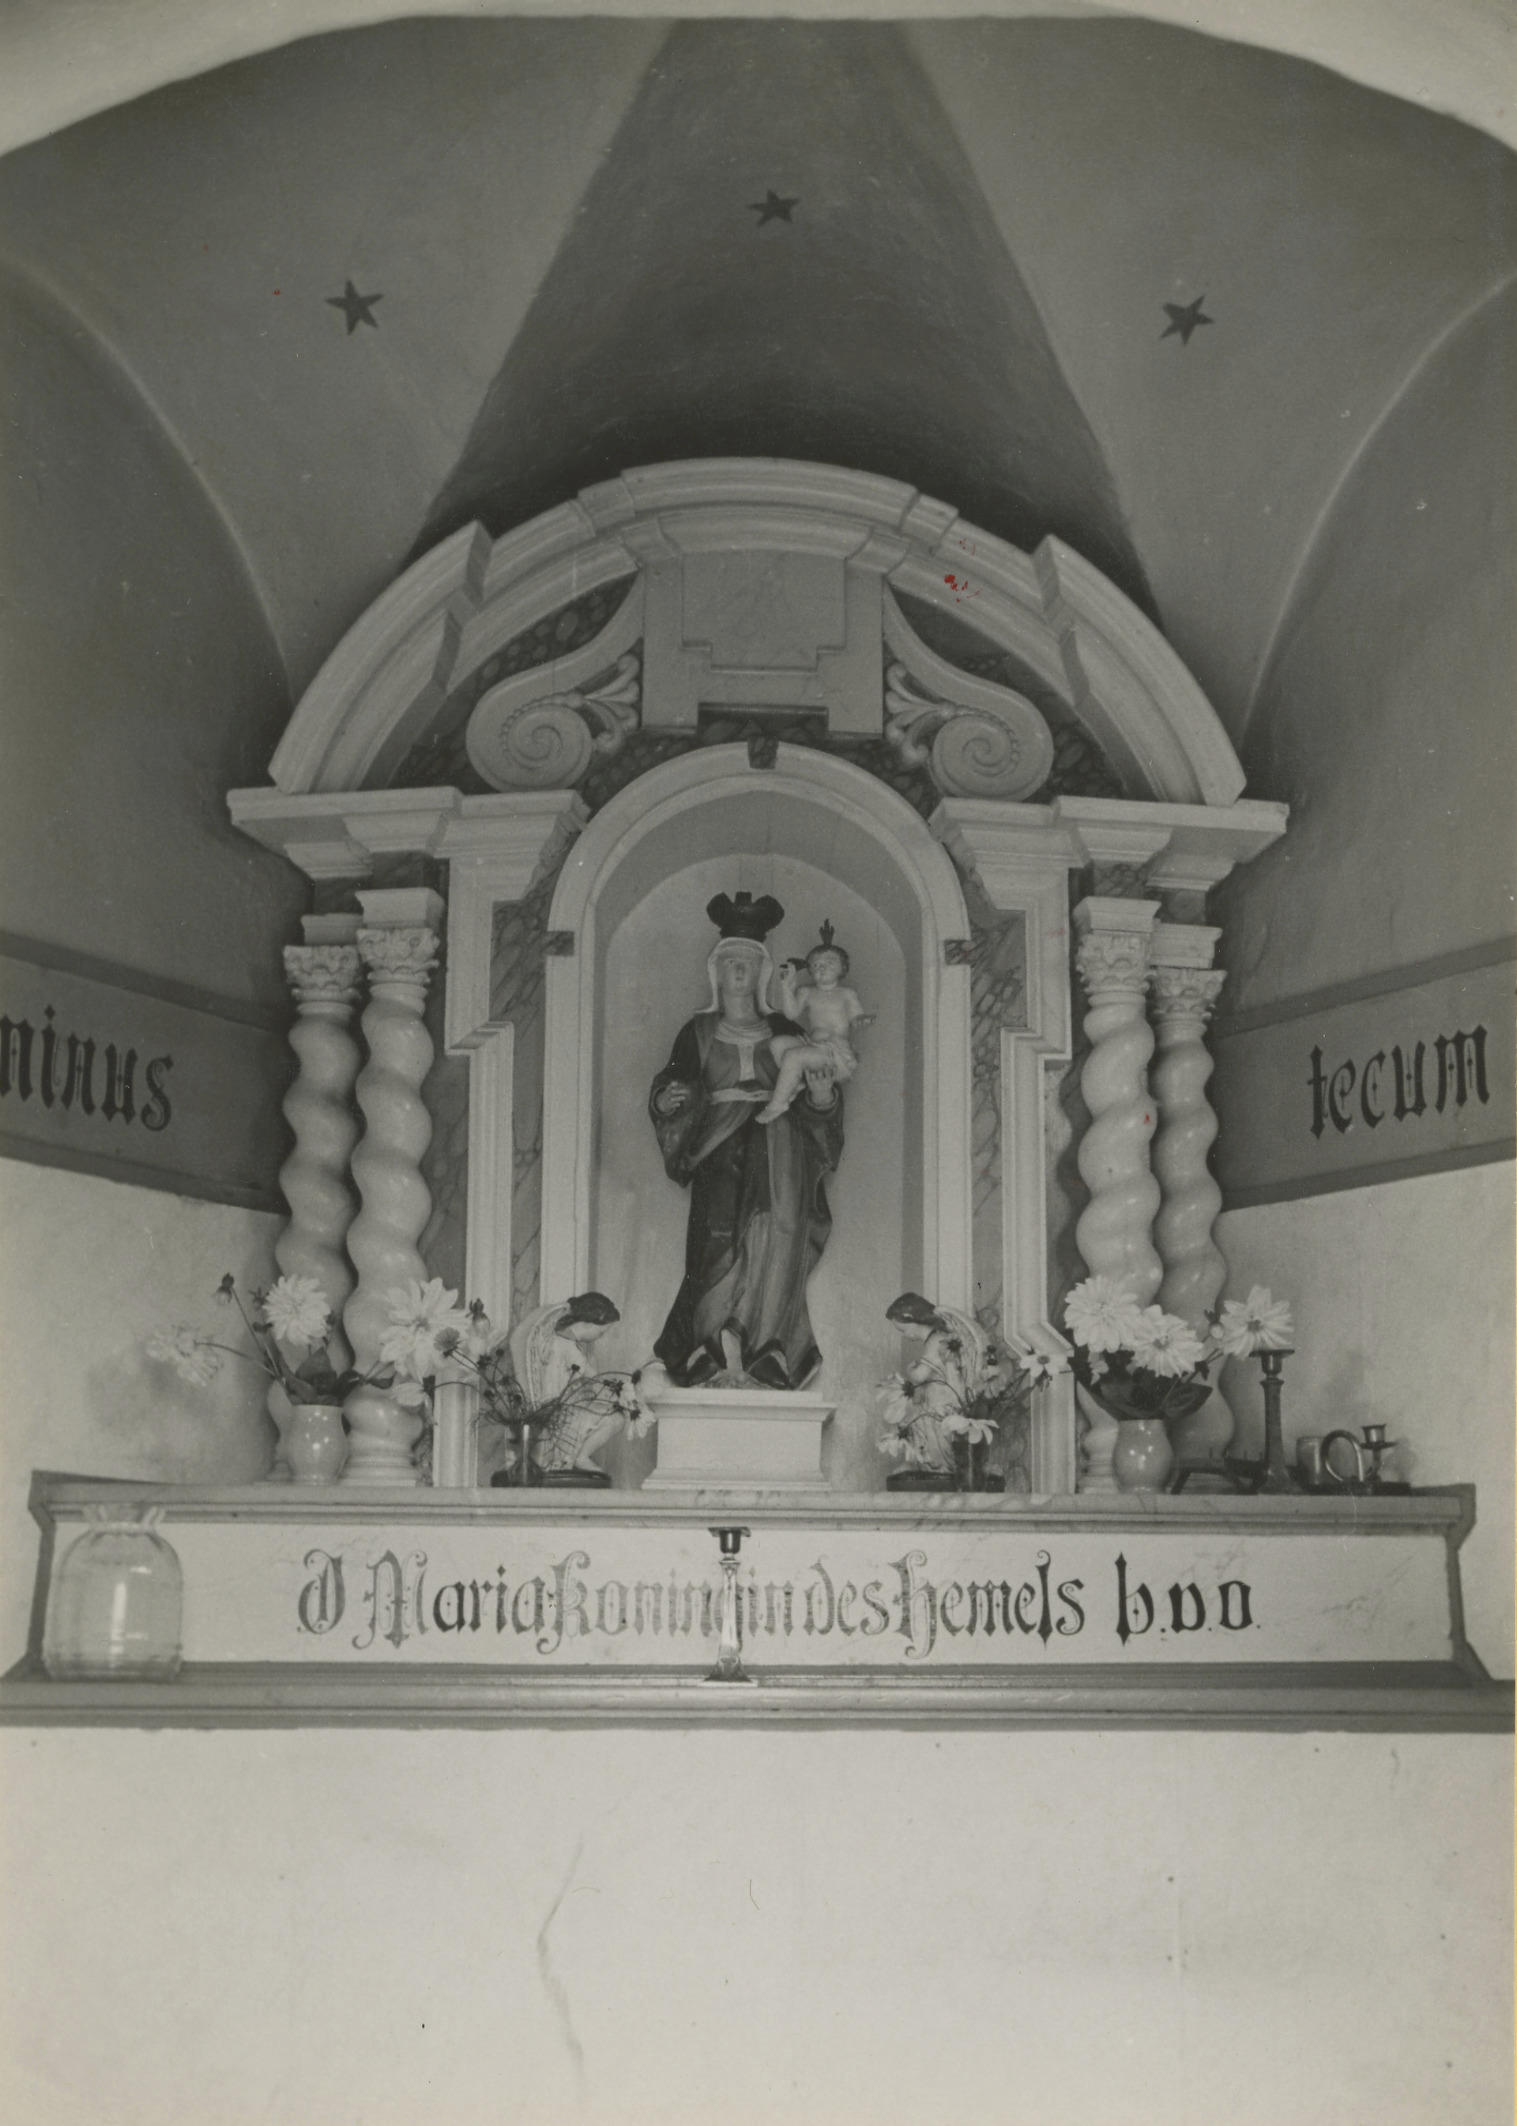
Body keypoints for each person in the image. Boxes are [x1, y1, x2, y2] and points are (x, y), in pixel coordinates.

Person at [649, 891, 845, 1390]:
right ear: (716, 971)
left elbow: (818, 1100)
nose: (739, 970)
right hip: (718, 1146)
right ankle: (709, 1346)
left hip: (780, 1147)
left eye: (748, 962)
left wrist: (822, 1097)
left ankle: (769, 1346)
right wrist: (666, 1100)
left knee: (779, 1231)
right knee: (714, 1240)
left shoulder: (783, 1028)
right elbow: (672, 1083)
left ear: (762, 972)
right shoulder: (697, 1032)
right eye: (730, 961)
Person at [754, 921, 873, 1125]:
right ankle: (796, 1082)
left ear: (843, 968)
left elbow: (856, 1018)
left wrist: (861, 1021)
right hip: (812, 1045)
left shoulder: (846, 993)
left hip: (834, 1053)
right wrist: (786, 986)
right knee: (777, 1044)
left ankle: (778, 1103)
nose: (822, 968)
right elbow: (791, 1014)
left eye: (829, 963)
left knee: (793, 1056)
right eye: (816, 965)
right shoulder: (806, 992)